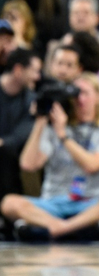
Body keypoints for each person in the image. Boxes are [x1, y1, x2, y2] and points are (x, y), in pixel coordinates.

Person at [1, 73, 99, 242]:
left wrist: (63, 137)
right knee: (9, 203)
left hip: (89, 202)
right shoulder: (54, 127)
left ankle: (54, 228)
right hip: (52, 202)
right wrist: (40, 122)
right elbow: (28, 165)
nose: (79, 99)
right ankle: (70, 228)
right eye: (76, 95)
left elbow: (92, 165)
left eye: (85, 93)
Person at [44, 0, 99, 81]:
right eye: (76, 13)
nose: (80, 17)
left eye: (86, 13)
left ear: (98, 18)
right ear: (69, 17)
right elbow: (48, 76)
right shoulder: (55, 46)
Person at [0, 49, 41, 203]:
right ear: (18, 70)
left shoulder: (32, 100)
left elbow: (22, 134)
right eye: (34, 71)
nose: (38, 77)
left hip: (13, 158)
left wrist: (3, 142)